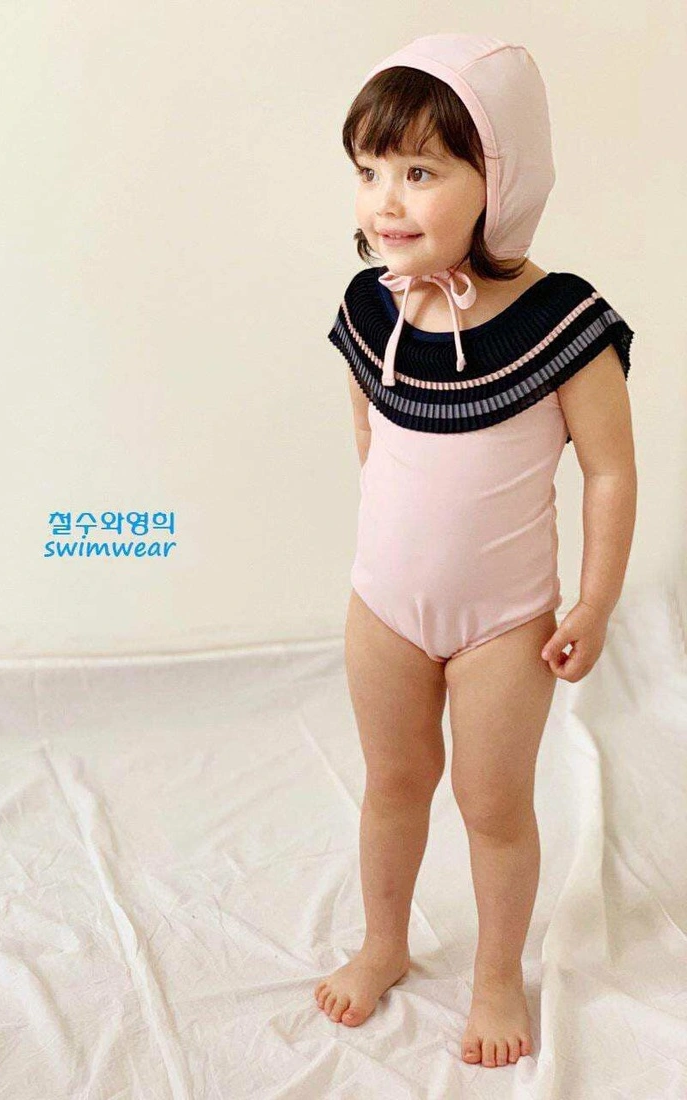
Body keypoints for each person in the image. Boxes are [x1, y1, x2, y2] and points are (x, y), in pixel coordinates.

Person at [319, 33, 637, 1069]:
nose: (387, 200)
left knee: (492, 806)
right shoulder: (370, 307)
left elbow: (607, 472)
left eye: (420, 172)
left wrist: (591, 601)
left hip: (503, 623)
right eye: (370, 170)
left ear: (498, 181)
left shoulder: (563, 324)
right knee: (391, 782)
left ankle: (498, 974)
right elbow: (370, 428)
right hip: (383, 608)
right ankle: (384, 942)